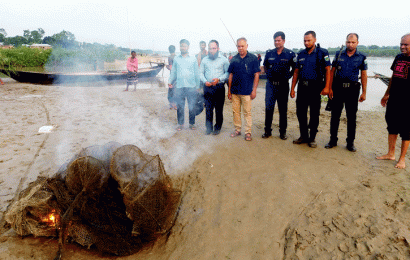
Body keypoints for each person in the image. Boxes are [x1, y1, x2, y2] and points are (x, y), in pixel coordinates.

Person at [325, 33, 368, 152]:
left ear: (357, 43)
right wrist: (329, 88)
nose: (350, 44)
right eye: (348, 42)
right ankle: (333, 140)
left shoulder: (362, 57)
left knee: (351, 117)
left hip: (352, 90)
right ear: (346, 42)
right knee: (335, 116)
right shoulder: (339, 55)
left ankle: (350, 143)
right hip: (338, 88)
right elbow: (332, 72)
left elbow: (364, 75)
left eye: (353, 42)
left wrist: (364, 92)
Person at [290, 31, 331, 148]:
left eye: (309, 40)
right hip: (302, 87)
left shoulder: (322, 53)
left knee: (314, 114)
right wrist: (292, 88)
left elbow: (328, 70)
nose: (306, 42)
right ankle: (303, 136)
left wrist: (327, 87)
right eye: (305, 40)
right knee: (300, 113)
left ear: (314, 40)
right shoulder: (301, 54)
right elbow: (296, 72)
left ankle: (312, 138)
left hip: (315, 87)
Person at [376, 34, 410, 169]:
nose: (402, 47)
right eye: (401, 44)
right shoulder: (398, 57)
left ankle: (402, 159)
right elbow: (393, 77)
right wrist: (386, 94)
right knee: (392, 126)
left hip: (407, 101)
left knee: (406, 130)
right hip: (394, 98)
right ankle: (391, 154)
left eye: (406, 44)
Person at [262, 31, 296, 140]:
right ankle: (267, 131)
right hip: (271, 86)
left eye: (279, 40)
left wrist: (288, 76)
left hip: (283, 86)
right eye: (275, 40)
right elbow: (265, 66)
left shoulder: (290, 54)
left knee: (283, 110)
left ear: (284, 41)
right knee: (269, 108)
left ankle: (282, 132)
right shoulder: (269, 53)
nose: (277, 42)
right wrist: (269, 75)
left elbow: (295, 69)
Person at [228, 37, 261, 141]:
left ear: (247, 46)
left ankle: (248, 132)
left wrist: (254, 90)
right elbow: (230, 75)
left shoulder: (253, 58)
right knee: (236, 112)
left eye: (242, 46)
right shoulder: (234, 59)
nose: (241, 48)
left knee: (247, 112)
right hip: (235, 91)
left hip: (247, 91)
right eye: (239, 46)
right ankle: (237, 130)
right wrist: (229, 91)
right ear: (236, 47)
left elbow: (256, 74)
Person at [169, 39, 200, 131]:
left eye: (185, 46)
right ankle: (180, 124)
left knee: (192, 106)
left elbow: (196, 73)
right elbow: (173, 72)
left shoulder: (193, 59)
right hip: (180, 86)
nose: (183, 47)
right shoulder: (176, 59)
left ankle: (192, 123)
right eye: (181, 46)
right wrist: (170, 81)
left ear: (188, 47)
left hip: (191, 86)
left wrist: (197, 86)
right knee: (180, 106)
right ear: (179, 47)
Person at [199, 40, 230, 135]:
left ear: (218, 49)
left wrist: (219, 79)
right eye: (210, 48)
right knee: (208, 108)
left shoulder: (224, 59)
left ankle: (217, 127)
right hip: (207, 88)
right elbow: (200, 73)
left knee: (219, 109)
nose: (211, 50)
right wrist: (205, 81)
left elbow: (228, 73)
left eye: (214, 48)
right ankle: (208, 128)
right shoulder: (204, 60)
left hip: (219, 87)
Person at [166, 45, 177, 110]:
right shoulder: (177, 57)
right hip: (177, 76)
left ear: (169, 50)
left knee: (171, 90)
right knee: (175, 90)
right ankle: (174, 104)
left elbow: (171, 67)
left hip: (172, 76)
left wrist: (167, 67)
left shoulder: (170, 57)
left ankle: (172, 104)